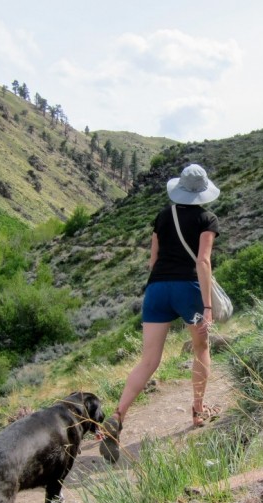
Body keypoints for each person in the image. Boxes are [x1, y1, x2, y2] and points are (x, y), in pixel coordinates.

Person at [99, 163, 222, 463]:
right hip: (188, 290)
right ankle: (197, 411)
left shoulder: (162, 216)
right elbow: (202, 262)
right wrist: (206, 306)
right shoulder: (207, 218)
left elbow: (153, 260)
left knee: (148, 361)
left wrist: (162, 285)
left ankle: (117, 416)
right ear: (202, 192)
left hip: (156, 290)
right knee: (201, 348)